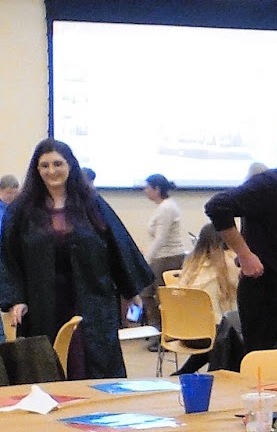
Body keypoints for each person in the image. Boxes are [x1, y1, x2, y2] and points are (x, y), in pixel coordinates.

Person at [0, 137, 152, 378]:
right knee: (48, 362)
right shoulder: (22, 210)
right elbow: (9, 257)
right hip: (42, 300)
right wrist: (14, 300)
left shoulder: (92, 204)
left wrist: (130, 290)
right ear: (37, 170)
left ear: (70, 165)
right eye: (45, 165)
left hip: (91, 295)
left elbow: (116, 245)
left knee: (93, 360)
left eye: (58, 164)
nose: (52, 171)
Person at [205, 126, 277, 354]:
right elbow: (217, 206)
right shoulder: (268, 184)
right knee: (265, 363)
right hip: (264, 292)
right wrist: (244, 254)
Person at [168, 222, 240, 372]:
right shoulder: (231, 263)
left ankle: (184, 372)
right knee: (233, 333)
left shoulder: (191, 265)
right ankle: (216, 374)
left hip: (183, 333)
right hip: (212, 335)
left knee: (216, 334)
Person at [140, 172, 188, 334]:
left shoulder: (167, 208)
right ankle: (157, 330)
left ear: (157, 188)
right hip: (161, 257)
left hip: (168, 258)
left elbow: (160, 239)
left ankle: (165, 332)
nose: (144, 190)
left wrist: (146, 261)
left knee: (162, 297)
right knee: (147, 294)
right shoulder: (164, 207)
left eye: (147, 187)